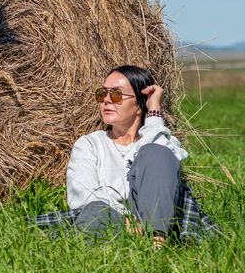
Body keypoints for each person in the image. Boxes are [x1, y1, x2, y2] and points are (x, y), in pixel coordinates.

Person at [35, 65, 219, 245]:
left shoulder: (154, 142)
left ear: (139, 105)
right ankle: (145, 234)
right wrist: (129, 222)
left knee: (156, 153)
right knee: (95, 212)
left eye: (117, 94)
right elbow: (84, 195)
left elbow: (167, 169)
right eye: (102, 93)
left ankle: (157, 242)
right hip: (109, 216)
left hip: (152, 216)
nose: (106, 100)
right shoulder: (89, 144)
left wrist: (154, 111)